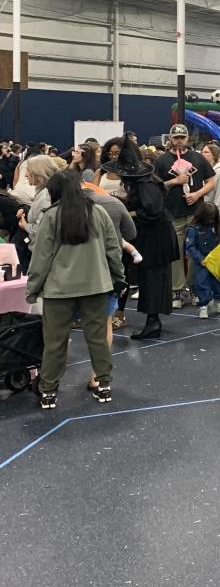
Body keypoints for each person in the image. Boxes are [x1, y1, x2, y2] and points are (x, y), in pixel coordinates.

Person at [27, 169, 124, 411]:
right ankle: (104, 385)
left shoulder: (51, 216)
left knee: (55, 342)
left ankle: (48, 391)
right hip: (96, 286)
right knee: (98, 339)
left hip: (58, 290)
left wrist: (33, 288)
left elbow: (41, 257)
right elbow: (113, 249)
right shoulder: (98, 212)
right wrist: (118, 277)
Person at [107, 137, 179, 340]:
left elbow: (152, 211)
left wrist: (128, 213)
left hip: (156, 239)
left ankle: (153, 322)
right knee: (151, 279)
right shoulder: (145, 182)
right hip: (154, 237)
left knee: (152, 279)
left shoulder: (146, 183)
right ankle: (152, 320)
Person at [153, 123, 215, 307]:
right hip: (173, 214)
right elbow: (155, 186)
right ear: (170, 139)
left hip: (196, 213)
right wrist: (174, 181)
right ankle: (177, 291)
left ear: (188, 138)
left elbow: (211, 181)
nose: (179, 141)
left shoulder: (198, 158)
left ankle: (194, 287)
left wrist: (197, 194)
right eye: (176, 138)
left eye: (182, 137)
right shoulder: (161, 161)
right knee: (176, 254)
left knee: (197, 252)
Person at [185, 202, 220, 319]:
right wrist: (200, 259)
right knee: (202, 283)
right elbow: (190, 247)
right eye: (209, 217)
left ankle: (218, 300)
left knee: (219, 281)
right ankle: (203, 306)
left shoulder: (215, 226)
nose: (211, 220)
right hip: (202, 261)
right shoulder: (193, 229)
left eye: (213, 217)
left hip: (216, 260)